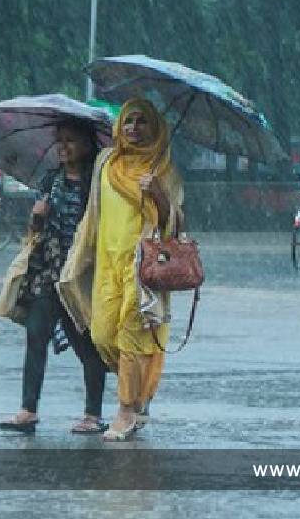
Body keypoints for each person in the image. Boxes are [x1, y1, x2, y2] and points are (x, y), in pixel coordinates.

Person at [57, 98, 184, 442]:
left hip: (142, 266)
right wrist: (78, 258)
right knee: (101, 335)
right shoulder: (106, 162)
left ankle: (126, 410)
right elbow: (93, 214)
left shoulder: (163, 170)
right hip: (106, 264)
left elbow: (175, 226)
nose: (133, 128)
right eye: (128, 121)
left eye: (142, 122)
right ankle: (139, 391)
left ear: (155, 128)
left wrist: (158, 196)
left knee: (131, 334)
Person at [0, 117, 108, 434]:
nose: (63, 147)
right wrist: (36, 218)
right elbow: (34, 231)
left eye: (70, 140)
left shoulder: (97, 183)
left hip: (80, 274)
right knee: (35, 336)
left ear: (86, 144)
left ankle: (93, 413)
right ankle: (28, 410)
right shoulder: (51, 180)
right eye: (60, 140)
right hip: (48, 271)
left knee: (86, 342)